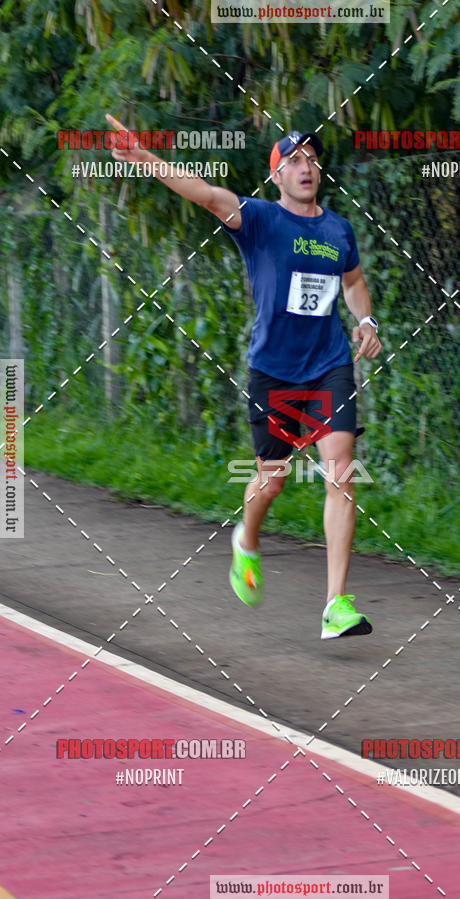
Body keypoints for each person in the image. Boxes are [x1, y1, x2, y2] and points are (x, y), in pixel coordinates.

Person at [106, 116, 381, 638]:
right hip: (273, 370)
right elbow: (205, 194)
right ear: (276, 175)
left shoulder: (338, 230)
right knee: (272, 480)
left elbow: (354, 281)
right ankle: (246, 541)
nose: (306, 167)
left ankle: (335, 605)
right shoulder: (257, 218)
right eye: (294, 161)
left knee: (340, 471)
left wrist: (365, 319)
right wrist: (148, 160)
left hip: (329, 364)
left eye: (312, 159)